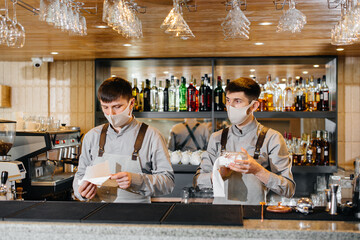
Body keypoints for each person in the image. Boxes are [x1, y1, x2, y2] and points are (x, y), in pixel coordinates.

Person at [193, 77, 295, 205]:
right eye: (228, 101)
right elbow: (198, 181)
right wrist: (219, 174)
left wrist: (258, 170)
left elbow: (288, 189)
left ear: (254, 106)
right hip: (220, 216)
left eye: (237, 101)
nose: (230, 107)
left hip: (256, 217)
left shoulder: (272, 138)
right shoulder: (217, 137)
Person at [73, 77, 175, 203]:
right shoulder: (92, 136)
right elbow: (79, 177)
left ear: (131, 103)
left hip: (137, 217)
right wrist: (80, 192)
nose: (111, 113)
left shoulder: (152, 136)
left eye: (117, 106)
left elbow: (168, 182)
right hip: (97, 217)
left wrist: (136, 180)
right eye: (105, 107)